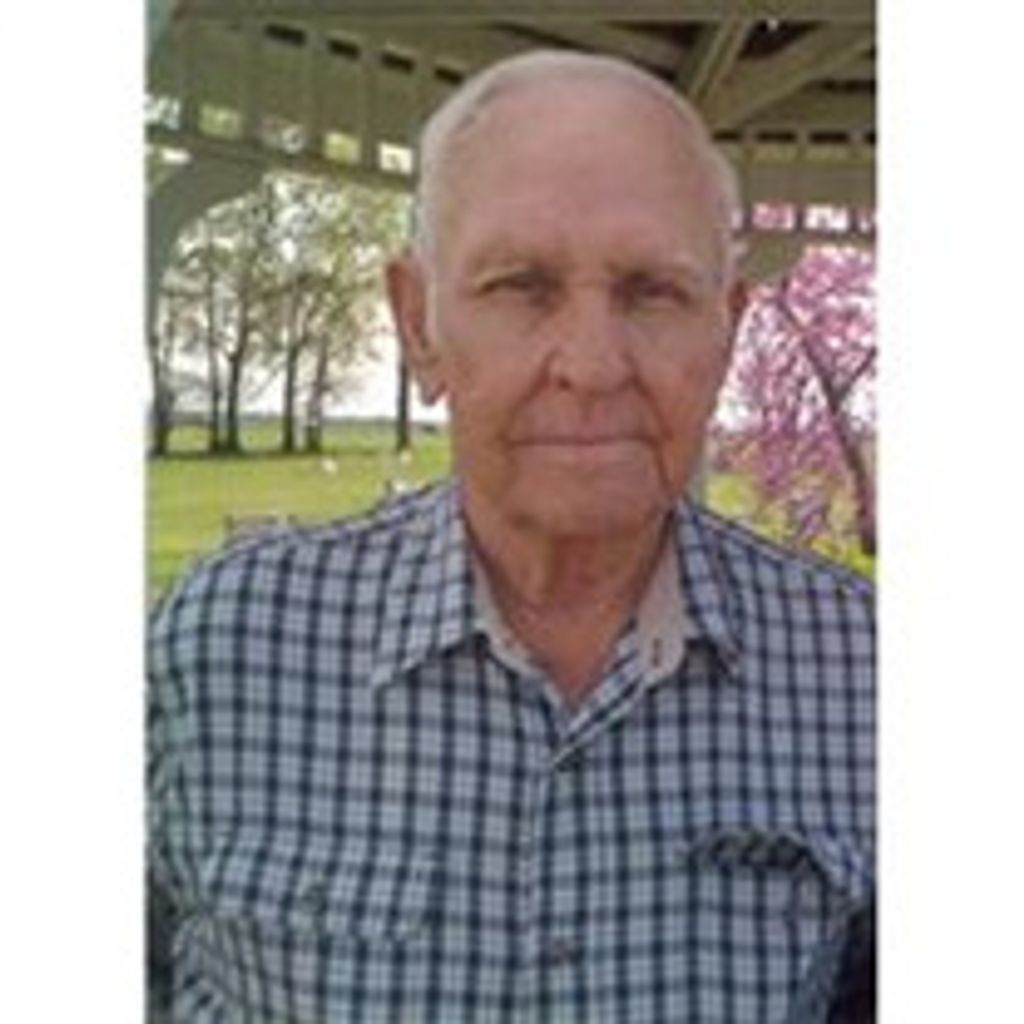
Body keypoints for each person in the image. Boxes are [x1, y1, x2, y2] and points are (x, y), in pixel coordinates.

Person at [148, 50, 874, 1023]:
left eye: (652, 290)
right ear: (417, 324)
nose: (591, 365)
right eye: (522, 285)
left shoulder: (864, 672)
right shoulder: (222, 649)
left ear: (726, 332)